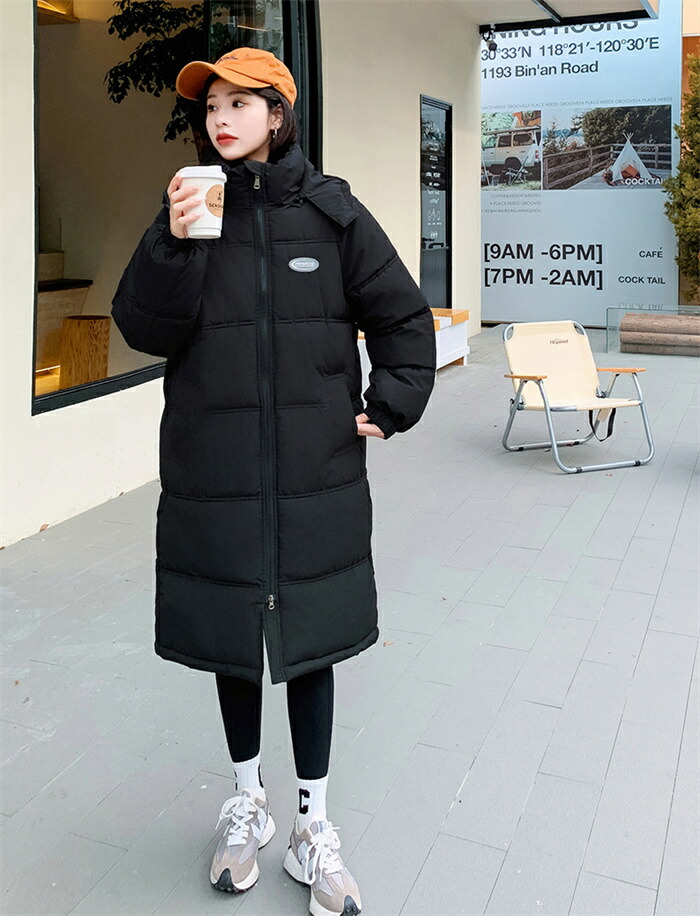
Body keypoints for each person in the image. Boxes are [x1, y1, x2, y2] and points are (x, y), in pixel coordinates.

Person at [111, 47, 436, 916]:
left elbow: (403, 316)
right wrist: (172, 240)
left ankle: (312, 826)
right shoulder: (188, 210)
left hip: (315, 472)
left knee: (313, 642)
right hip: (212, 468)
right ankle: (247, 802)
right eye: (211, 105)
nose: (219, 118)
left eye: (238, 103)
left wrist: (392, 401)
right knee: (231, 639)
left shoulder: (333, 215)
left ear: (279, 115)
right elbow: (142, 327)